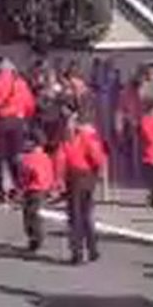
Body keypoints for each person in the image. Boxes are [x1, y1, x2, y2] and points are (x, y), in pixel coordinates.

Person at [53, 106, 107, 264]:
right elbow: (97, 157)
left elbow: (60, 161)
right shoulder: (86, 137)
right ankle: (92, 249)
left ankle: (77, 252)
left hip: (74, 178)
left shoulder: (67, 140)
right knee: (86, 214)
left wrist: (59, 181)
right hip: (86, 176)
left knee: (75, 216)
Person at [0, 57, 36, 203]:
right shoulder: (21, 83)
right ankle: (20, 189)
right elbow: (30, 105)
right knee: (15, 158)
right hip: (17, 123)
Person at [19, 127, 56, 253]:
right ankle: (36, 237)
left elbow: (25, 176)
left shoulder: (28, 159)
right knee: (36, 214)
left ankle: (35, 237)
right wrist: (51, 187)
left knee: (30, 215)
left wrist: (20, 189)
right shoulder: (46, 158)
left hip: (32, 189)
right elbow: (50, 174)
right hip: (42, 190)